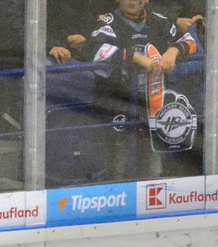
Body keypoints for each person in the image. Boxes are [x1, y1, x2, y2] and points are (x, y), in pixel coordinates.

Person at [81, 0, 199, 182]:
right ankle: (116, 204)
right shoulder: (107, 22)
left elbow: (190, 42)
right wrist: (134, 57)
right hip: (116, 105)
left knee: (151, 168)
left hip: (151, 106)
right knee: (116, 167)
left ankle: (150, 207)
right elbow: (92, 49)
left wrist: (173, 51)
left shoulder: (160, 21)